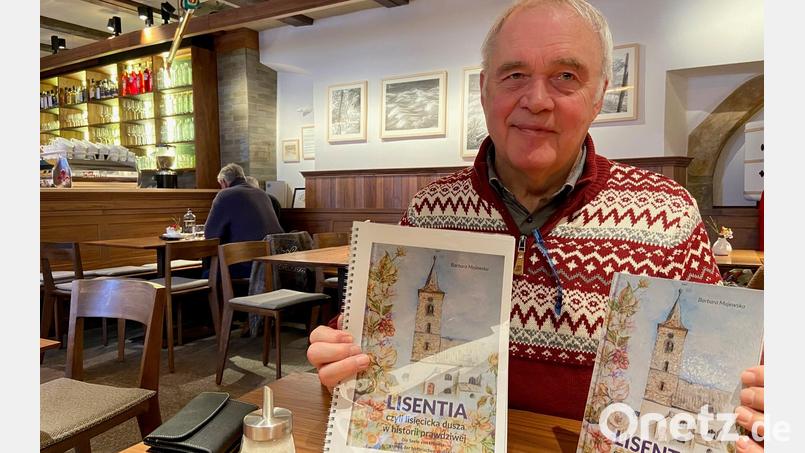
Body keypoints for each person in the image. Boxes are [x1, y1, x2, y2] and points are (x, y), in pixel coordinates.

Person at [306, 1, 764, 451]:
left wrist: (760, 404)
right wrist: (339, 355)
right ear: (485, 89)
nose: (537, 101)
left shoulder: (666, 214)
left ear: (600, 94)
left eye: (566, 76)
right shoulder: (430, 209)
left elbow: (723, 377)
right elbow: (373, 352)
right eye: (515, 74)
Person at [205, 163, 283, 278]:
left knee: (206, 275)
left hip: (247, 263)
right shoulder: (263, 194)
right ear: (243, 177)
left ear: (223, 182)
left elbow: (210, 234)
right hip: (273, 260)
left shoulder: (225, 195)